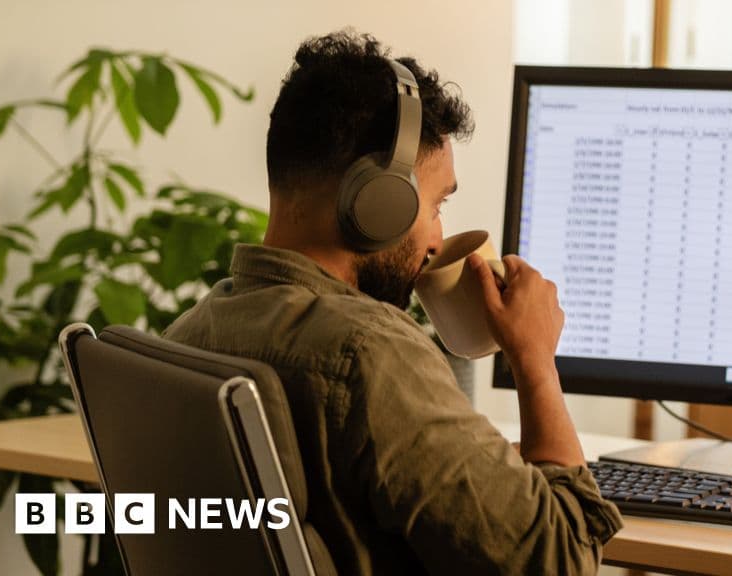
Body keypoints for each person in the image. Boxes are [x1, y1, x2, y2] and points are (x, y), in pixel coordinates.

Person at [163, 30, 622, 575]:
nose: (437, 237)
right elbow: (562, 558)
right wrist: (535, 360)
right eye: (435, 204)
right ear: (377, 203)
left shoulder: (188, 335)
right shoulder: (372, 355)